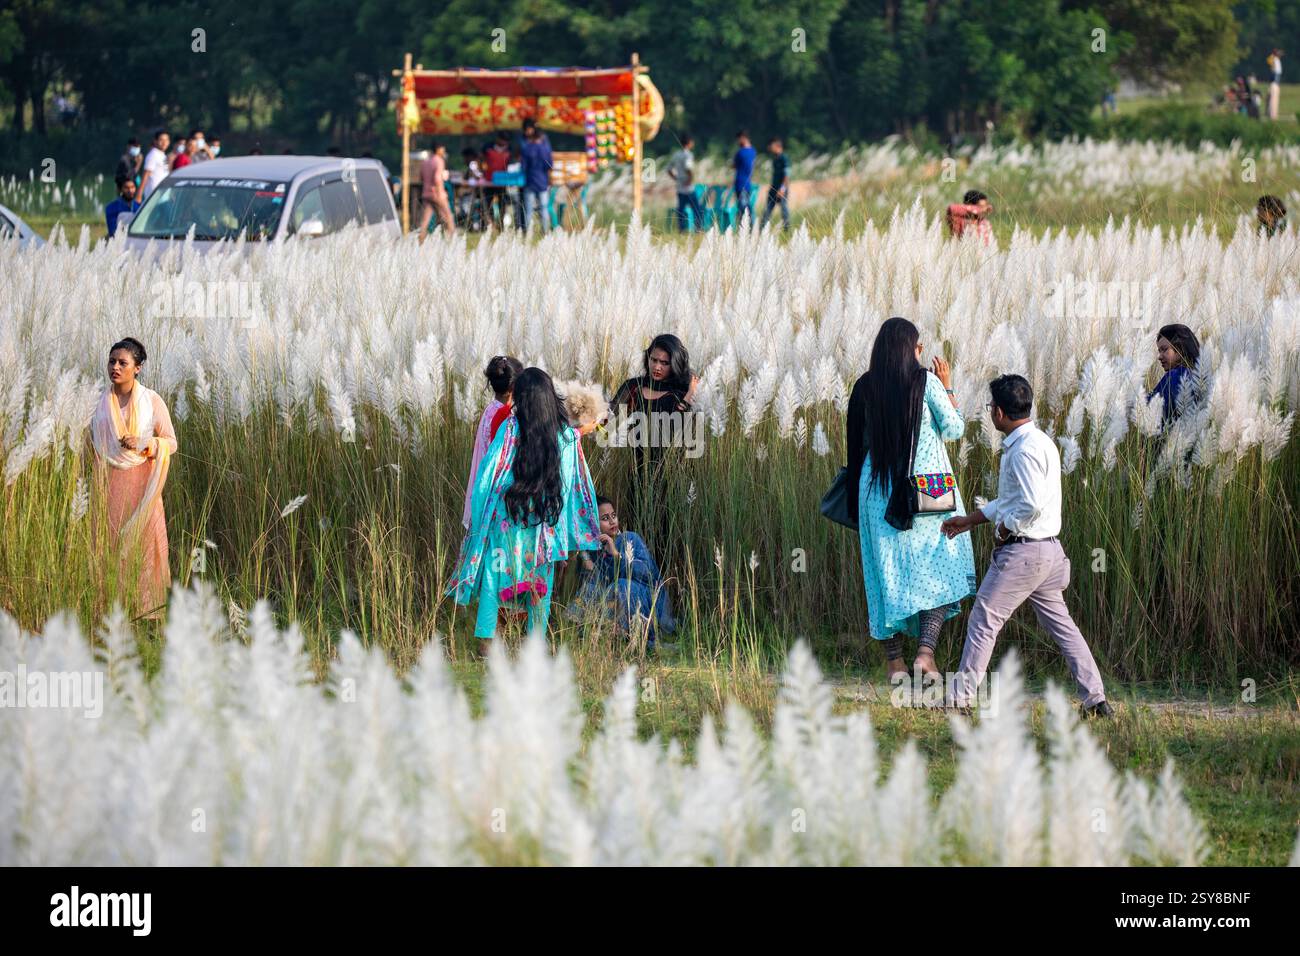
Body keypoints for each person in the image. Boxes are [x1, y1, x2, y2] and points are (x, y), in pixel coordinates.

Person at [940, 375, 1111, 716]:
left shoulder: (1021, 452)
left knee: (983, 619)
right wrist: (971, 520)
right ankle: (1096, 699)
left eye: (990, 408)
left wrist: (1005, 529)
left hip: (1024, 553)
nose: (990, 413)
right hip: (1049, 554)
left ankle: (959, 701)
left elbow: (1028, 505)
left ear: (1000, 413)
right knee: (1063, 626)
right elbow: (1012, 498)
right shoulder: (1041, 442)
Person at [845, 317, 976, 678]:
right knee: (945, 567)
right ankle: (925, 654)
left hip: (875, 495)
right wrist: (948, 388)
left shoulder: (864, 387)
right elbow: (953, 428)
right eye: (919, 346)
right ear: (910, 349)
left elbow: (855, 446)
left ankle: (895, 664)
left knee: (884, 574)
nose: (921, 352)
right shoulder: (925, 381)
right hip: (925, 494)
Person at [447, 367, 601, 652]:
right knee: (539, 583)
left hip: (506, 520)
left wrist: (480, 517)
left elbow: (489, 474)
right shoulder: (565, 436)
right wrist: (565, 535)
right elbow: (570, 484)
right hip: (544, 524)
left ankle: (486, 645)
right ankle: (535, 646)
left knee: (494, 579)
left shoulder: (511, 428)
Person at [88, 338, 178, 618]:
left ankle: (146, 616)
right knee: (108, 545)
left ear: (137, 368)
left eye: (122, 362)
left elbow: (171, 442)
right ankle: (109, 612)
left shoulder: (151, 400)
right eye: (112, 361)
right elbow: (87, 442)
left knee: (144, 546)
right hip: (108, 484)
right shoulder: (99, 401)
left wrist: (145, 443)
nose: (115, 367)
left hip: (143, 488)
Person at [611, 334, 700, 568]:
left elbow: (679, 431)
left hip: (668, 480)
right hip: (638, 475)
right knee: (636, 536)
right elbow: (608, 419)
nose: (657, 367)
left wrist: (689, 395)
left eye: (664, 362)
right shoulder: (633, 387)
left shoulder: (679, 395)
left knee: (663, 540)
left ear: (675, 364)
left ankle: (660, 592)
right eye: (653, 360)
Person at [573, 496, 675, 647]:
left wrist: (616, 555)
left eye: (614, 516)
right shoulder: (593, 551)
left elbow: (647, 574)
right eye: (605, 518)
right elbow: (595, 587)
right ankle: (591, 635)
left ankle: (634, 637)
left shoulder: (630, 538)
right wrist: (587, 561)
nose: (612, 521)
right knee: (591, 589)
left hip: (647, 599)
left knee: (621, 585)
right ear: (594, 523)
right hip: (613, 603)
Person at [463, 355, 524, 529]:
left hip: (482, 484)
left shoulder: (491, 409)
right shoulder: (505, 415)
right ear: (514, 386)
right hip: (494, 492)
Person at [1148, 324, 1201, 425]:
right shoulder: (1200, 377)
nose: (1159, 356)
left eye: (1164, 349)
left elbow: (1147, 409)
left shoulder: (1175, 375)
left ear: (1180, 349)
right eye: (1159, 351)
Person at [520, 119, 553, 233]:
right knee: (544, 208)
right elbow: (549, 166)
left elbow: (523, 167)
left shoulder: (526, 148)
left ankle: (528, 232)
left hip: (530, 181)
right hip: (543, 182)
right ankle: (545, 230)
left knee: (528, 209)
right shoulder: (546, 149)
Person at [667, 134, 703, 232]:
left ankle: (681, 229)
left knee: (681, 209)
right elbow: (689, 168)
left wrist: (675, 178)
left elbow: (669, 169)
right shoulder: (688, 155)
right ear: (689, 143)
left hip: (679, 185)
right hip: (688, 186)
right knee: (696, 208)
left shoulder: (676, 155)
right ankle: (698, 228)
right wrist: (690, 179)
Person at [418, 143, 454, 237]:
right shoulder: (439, 161)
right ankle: (452, 238)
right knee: (448, 216)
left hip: (426, 193)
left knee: (426, 219)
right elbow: (437, 178)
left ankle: (421, 237)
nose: (444, 151)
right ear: (438, 149)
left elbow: (421, 177)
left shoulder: (425, 161)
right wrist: (440, 193)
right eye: (443, 149)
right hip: (437, 193)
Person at [759, 137, 790, 232]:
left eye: (771, 145)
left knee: (784, 210)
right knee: (767, 209)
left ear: (777, 146)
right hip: (773, 188)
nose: (770, 147)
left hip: (781, 189)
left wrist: (782, 189)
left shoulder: (784, 158)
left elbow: (787, 175)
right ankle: (762, 229)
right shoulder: (775, 159)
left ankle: (786, 230)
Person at [732, 130, 756, 228]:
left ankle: (746, 227)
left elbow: (734, 165)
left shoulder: (740, 153)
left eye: (739, 139)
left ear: (743, 138)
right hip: (747, 184)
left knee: (743, 207)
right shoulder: (753, 151)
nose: (738, 142)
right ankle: (748, 227)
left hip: (740, 183)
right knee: (746, 206)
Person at [139, 129, 170, 202]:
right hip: (154, 195)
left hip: (163, 194)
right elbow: (146, 175)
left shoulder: (162, 155)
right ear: (155, 141)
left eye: (166, 140)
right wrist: (139, 194)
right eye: (161, 140)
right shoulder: (153, 154)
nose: (164, 143)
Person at [1267, 49, 1283, 120]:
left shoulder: (1276, 59)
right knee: (1275, 86)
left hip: (1277, 74)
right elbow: (1269, 62)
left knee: (1276, 86)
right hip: (1275, 74)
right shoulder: (1273, 58)